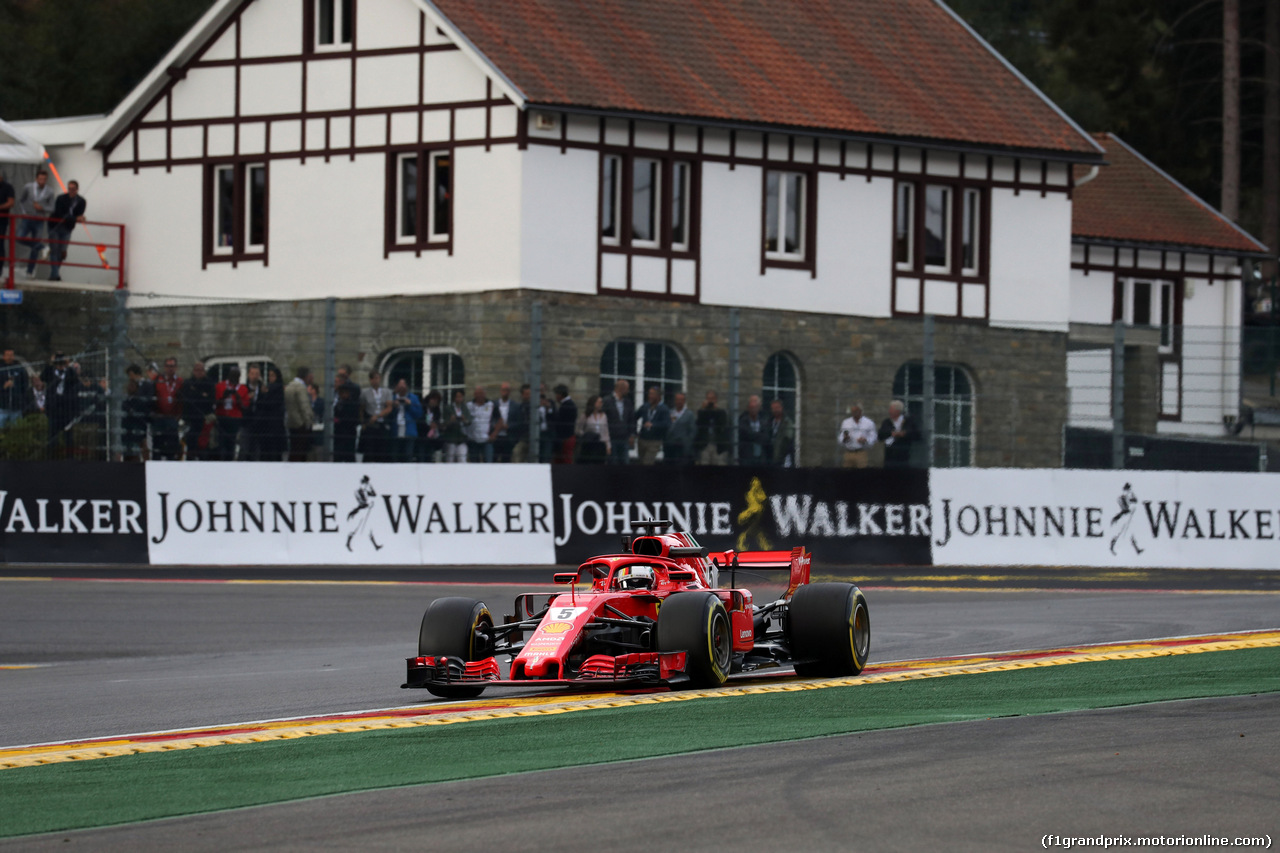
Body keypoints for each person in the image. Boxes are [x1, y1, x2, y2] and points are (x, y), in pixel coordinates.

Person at [17, 170, 55, 279]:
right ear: (36, 179)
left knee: (35, 246)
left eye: (44, 179)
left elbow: (52, 208)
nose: (42, 181)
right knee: (19, 237)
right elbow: (21, 200)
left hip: (39, 219)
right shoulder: (28, 187)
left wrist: (42, 208)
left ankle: (30, 272)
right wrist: (23, 213)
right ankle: (43, 247)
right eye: (40, 179)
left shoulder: (49, 191)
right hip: (27, 217)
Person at [41, 353, 80, 459]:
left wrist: (67, 366)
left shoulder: (70, 372)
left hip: (66, 408)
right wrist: (51, 363)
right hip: (54, 408)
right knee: (52, 435)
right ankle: (51, 457)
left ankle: (69, 458)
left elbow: (76, 381)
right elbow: (42, 377)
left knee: (68, 436)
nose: (60, 364)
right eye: (58, 362)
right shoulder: (50, 371)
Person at [47, 181, 86, 282]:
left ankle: (54, 275)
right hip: (55, 226)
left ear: (77, 189)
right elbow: (60, 214)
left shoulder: (82, 201)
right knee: (54, 250)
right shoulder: (61, 198)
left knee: (62, 252)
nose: (71, 191)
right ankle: (55, 275)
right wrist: (74, 218)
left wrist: (76, 218)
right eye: (69, 189)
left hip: (67, 228)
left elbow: (79, 215)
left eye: (73, 189)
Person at [181, 361, 216, 460]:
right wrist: (202, 395)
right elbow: (187, 399)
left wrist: (196, 393)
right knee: (190, 446)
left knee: (204, 447)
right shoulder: (187, 383)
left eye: (201, 370)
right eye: (197, 370)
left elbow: (210, 400)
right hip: (191, 420)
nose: (199, 372)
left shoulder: (209, 383)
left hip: (204, 421)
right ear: (193, 371)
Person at [151, 357, 183, 460]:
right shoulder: (157, 380)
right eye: (168, 366)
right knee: (157, 447)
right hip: (159, 419)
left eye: (172, 366)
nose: (170, 369)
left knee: (172, 448)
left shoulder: (179, 382)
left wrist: (179, 415)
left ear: (176, 368)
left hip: (173, 419)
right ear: (165, 367)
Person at [214, 366, 248, 460]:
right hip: (222, 418)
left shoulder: (243, 388)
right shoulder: (220, 386)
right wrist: (223, 397)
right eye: (232, 375)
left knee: (232, 445)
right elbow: (214, 403)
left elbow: (245, 407)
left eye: (236, 376)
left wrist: (238, 398)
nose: (234, 378)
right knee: (221, 444)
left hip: (235, 420)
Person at [121, 364, 153, 462]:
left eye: (130, 375)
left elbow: (149, 401)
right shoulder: (128, 396)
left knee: (143, 442)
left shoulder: (147, 385)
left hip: (142, 418)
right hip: (130, 421)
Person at [359, 370, 392, 463]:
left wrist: (377, 416)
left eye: (377, 378)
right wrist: (363, 423)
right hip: (370, 424)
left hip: (382, 423)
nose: (375, 381)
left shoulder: (386, 392)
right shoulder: (365, 393)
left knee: (382, 450)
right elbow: (362, 409)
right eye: (373, 378)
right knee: (369, 450)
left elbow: (389, 407)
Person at [256, 366, 287, 460]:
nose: (270, 378)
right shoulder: (267, 389)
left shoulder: (277, 389)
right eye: (269, 376)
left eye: (273, 376)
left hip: (275, 426)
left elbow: (271, 404)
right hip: (266, 426)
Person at [878, 399, 920, 469]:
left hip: (904, 455)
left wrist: (904, 434)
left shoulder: (908, 421)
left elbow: (917, 435)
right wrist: (891, 433)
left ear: (897, 411)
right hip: (889, 456)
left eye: (891, 410)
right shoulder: (886, 422)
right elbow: (880, 436)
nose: (889, 412)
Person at [389, 379, 423, 462]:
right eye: (399, 386)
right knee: (395, 455)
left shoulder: (413, 398)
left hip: (409, 430)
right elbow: (388, 415)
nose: (401, 388)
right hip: (396, 429)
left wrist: (409, 405)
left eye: (403, 385)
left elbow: (419, 414)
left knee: (408, 455)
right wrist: (394, 407)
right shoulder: (392, 398)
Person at [285, 366, 315, 462]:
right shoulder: (300, 388)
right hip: (300, 426)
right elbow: (304, 407)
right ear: (306, 376)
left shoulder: (289, 386)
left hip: (291, 424)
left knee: (294, 451)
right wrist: (308, 422)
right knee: (300, 453)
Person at [634, 386, 669, 465]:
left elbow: (667, 424)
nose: (650, 396)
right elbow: (634, 417)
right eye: (649, 394)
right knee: (641, 462)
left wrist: (653, 425)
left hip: (654, 441)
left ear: (658, 396)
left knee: (648, 463)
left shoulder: (664, 409)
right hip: (642, 440)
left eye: (652, 394)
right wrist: (634, 432)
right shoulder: (645, 406)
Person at [332, 366, 361, 462]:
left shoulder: (351, 394)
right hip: (336, 431)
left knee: (348, 455)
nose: (334, 384)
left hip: (346, 430)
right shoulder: (333, 394)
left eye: (337, 381)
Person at [694, 390, 730, 465]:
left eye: (712, 398)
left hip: (718, 446)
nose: (710, 401)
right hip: (705, 445)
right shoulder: (703, 412)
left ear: (716, 399)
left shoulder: (721, 412)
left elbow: (722, 424)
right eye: (708, 398)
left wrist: (716, 409)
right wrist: (703, 409)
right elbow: (698, 424)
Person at [837, 403, 877, 468]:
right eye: (852, 411)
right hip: (848, 453)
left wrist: (865, 440)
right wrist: (845, 439)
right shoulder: (846, 422)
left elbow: (873, 437)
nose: (854, 413)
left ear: (861, 411)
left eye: (856, 411)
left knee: (861, 475)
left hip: (861, 453)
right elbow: (841, 436)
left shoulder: (869, 423)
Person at [604, 379, 634, 464]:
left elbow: (631, 419)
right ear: (621, 388)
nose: (628, 391)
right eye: (627, 388)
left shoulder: (628, 402)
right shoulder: (607, 401)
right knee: (613, 461)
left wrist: (632, 434)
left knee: (625, 461)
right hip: (611, 437)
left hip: (624, 438)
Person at [491, 382, 522, 463]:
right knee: (494, 458)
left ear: (509, 392)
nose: (505, 392)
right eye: (503, 390)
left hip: (508, 437)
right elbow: (490, 419)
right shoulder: (494, 404)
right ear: (501, 391)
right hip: (497, 437)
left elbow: (518, 422)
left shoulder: (515, 406)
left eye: (507, 390)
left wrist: (508, 426)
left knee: (506, 460)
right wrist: (496, 426)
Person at [575, 394, 610, 463]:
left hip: (601, 444)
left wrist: (608, 445)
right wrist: (586, 435)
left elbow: (606, 432)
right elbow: (578, 429)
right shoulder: (586, 415)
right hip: (589, 444)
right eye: (599, 402)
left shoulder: (604, 416)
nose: (601, 404)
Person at [663, 391, 695, 465]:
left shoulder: (689, 414)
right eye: (677, 399)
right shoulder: (670, 412)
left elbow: (693, 431)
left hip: (683, 449)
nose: (679, 402)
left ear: (684, 401)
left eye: (681, 400)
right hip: (670, 448)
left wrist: (687, 443)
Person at [0, 349, 29, 429]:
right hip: (2, 407)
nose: (10, 357)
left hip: (16, 407)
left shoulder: (19, 369)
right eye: (8, 355)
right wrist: (3, 387)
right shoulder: (1, 369)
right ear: (4, 356)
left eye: (11, 355)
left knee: (16, 429)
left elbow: (25, 385)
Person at [466, 385, 495, 463]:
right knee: (474, 463)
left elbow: (499, 419)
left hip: (486, 440)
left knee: (488, 462)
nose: (480, 396)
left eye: (481, 394)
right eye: (478, 394)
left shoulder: (491, 405)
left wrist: (494, 434)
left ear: (484, 394)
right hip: (473, 440)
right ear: (474, 395)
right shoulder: (468, 406)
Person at [441, 388, 471, 462]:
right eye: (457, 397)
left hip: (462, 438)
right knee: (450, 459)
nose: (459, 399)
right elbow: (444, 424)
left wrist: (464, 420)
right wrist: (451, 421)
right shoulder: (448, 408)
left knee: (462, 458)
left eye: (461, 396)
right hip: (451, 438)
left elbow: (469, 421)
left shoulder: (464, 408)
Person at [737, 395, 768, 465]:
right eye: (752, 407)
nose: (754, 409)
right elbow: (746, 434)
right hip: (746, 457)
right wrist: (758, 435)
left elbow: (766, 437)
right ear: (748, 408)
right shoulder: (743, 420)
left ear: (759, 407)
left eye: (756, 407)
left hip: (761, 457)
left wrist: (753, 435)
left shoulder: (764, 420)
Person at [551, 384, 577, 464]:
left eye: (556, 394)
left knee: (566, 460)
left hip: (566, 438)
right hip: (566, 438)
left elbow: (560, 421)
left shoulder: (566, 405)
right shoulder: (569, 404)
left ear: (560, 395)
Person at [768, 399, 795, 467]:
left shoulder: (787, 422)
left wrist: (780, 455)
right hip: (772, 457)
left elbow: (787, 438)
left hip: (784, 458)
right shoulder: (769, 422)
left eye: (777, 407)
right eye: (773, 408)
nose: (775, 410)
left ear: (781, 408)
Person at [417, 389, 443, 462]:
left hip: (431, 438)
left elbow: (437, 421)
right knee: (421, 456)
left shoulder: (436, 411)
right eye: (433, 399)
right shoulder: (422, 407)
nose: (434, 402)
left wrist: (436, 425)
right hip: (422, 436)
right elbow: (419, 419)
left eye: (436, 401)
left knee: (429, 457)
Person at [0, 170, 13, 281]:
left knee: (0, 245)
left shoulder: (8, 187)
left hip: (2, 221)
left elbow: (10, 202)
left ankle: (0, 271)